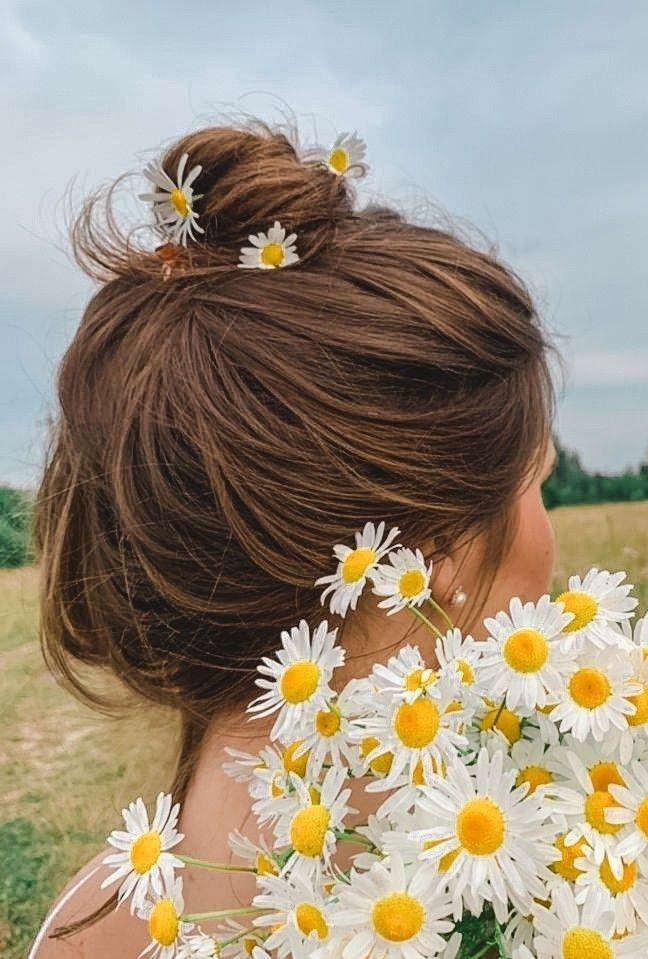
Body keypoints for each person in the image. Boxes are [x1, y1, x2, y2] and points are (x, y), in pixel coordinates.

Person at [29, 119, 558, 959]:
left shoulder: (83, 926)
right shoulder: (554, 903)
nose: (549, 535)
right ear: (427, 554)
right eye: (538, 479)